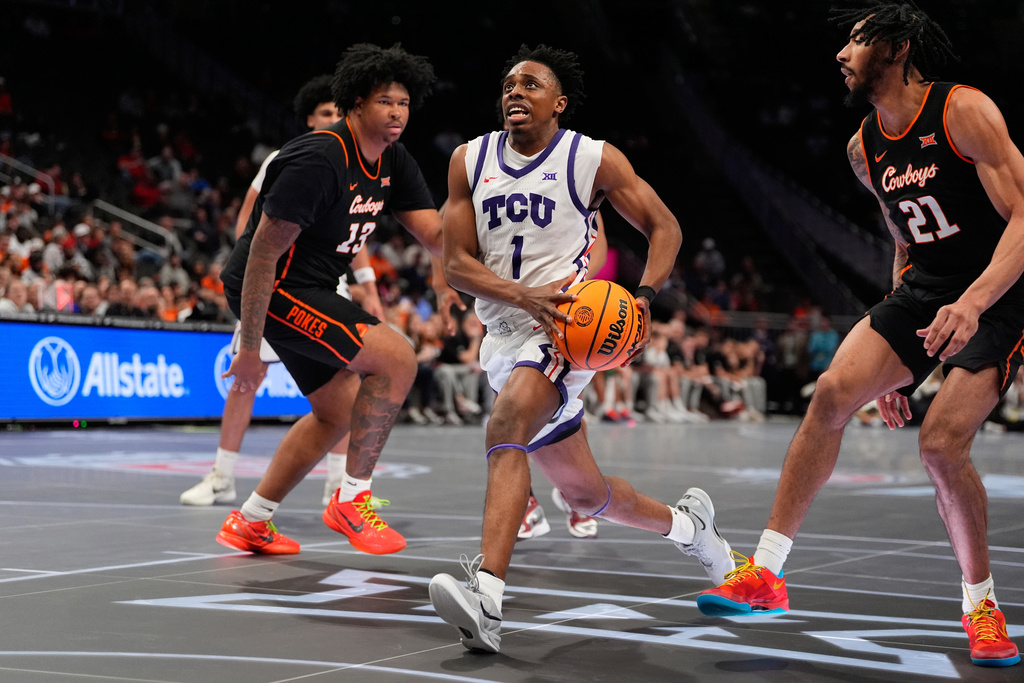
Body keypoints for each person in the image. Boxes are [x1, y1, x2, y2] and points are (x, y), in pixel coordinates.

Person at [697, 3, 1023, 668]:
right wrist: (895, 365)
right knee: (833, 391)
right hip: (928, 287)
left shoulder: (963, 111)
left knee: (940, 446)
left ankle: (981, 604)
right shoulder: (863, 147)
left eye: (856, 37)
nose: (842, 52)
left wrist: (972, 302)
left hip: (998, 291)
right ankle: (765, 572)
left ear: (897, 47)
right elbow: (903, 243)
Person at [428, 45, 734, 654]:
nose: (515, 91)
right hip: (505, 330)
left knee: (507, 422)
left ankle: (486, 597)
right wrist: (519, 295)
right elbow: (457, 265)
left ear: (558, 102)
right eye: (509, 83)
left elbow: (664, 225)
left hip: (568, 327)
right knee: (587, 495)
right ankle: (692, 530)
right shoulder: (469, 160)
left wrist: (644, 296)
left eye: (532, 84)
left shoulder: (590, 158)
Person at [216, 43, 459, 557]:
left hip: (310, 287)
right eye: (385, 102)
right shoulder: (319, 158)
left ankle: (252, 519)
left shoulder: (394, 158)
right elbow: (260, 256)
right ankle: (352, 500)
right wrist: (250, 348)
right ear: (355, 103)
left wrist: (496, 240)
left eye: (404, 103)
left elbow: (437, 234)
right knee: (396, 359)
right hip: (272, 285)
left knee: (338, 414)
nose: (396, 113)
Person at [180, 74, 362, 508]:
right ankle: (222, 477)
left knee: (345, 382)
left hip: (327, 287)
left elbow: (358, 234)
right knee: (245, 378)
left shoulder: (358, 165)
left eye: (339, 113)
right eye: (325, 114)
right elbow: (248, 221)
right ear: (308, 119)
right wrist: (251, 276)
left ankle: (337, 486)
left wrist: (367, 284)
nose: (333, 120)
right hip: (273, 286)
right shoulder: (285, 158)